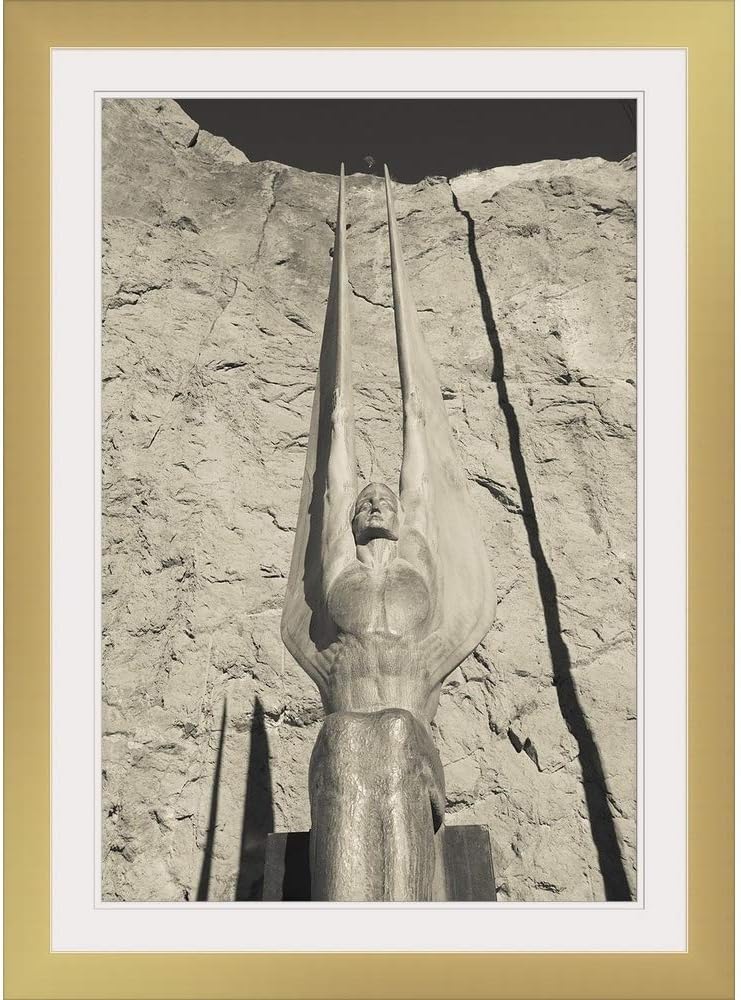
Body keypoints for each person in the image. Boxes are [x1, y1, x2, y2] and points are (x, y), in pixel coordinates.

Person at [281, 166, 494, 901]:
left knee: (398, 737)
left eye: (383, 498)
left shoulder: (417, 554)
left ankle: (406, 927)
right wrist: (335, 404)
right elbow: (334, 470)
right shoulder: (342, 568)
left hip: (407, 716)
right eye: (364, 499)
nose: (373, 500)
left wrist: (412, 405)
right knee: (342, 748)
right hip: (346, 720)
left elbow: (420, 473)